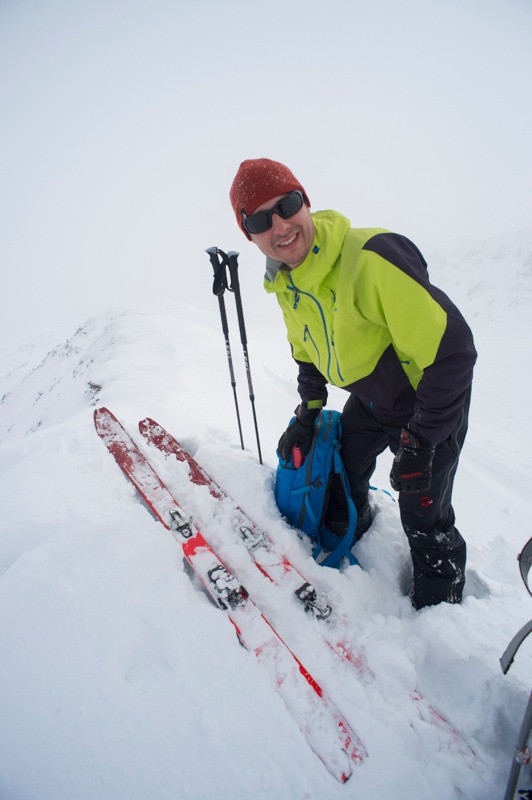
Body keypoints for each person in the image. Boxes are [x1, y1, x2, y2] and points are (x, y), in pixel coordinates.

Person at [229, 158, 477, 610]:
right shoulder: (287, 284)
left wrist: (423, 440)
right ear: (250, 234)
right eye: (262, 219)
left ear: (305, 200)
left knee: (423, 512)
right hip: (372, 399)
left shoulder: (370, 257)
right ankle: (354, 522)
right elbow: (306, 354)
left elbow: (454, 352)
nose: (280, 225)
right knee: (345, 461)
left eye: (287, 204)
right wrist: (308, 412)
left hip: (430, 401)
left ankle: (440, 612)